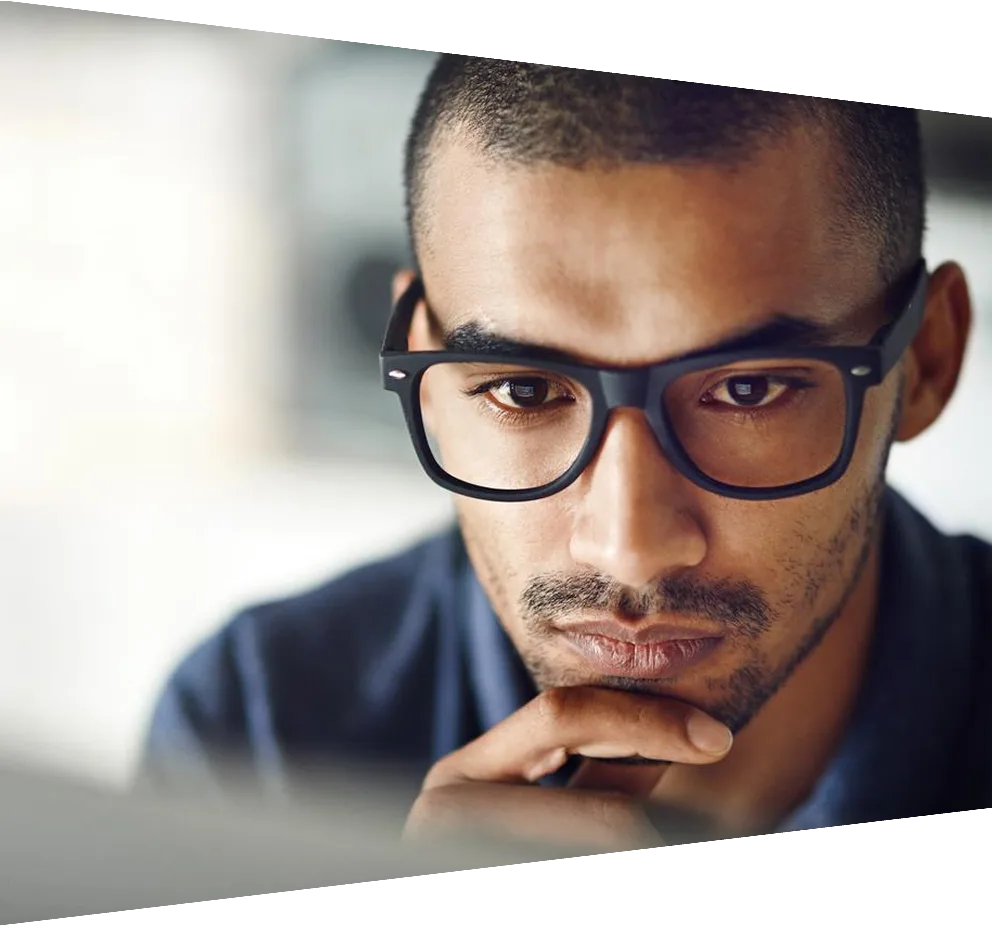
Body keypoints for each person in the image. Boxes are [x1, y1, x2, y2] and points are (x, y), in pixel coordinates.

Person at [140, 56, 991, 850]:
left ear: (925, 362)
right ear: (428, 380)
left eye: (746, 391)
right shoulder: (259, 736)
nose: (627, 545)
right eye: (522, 391)